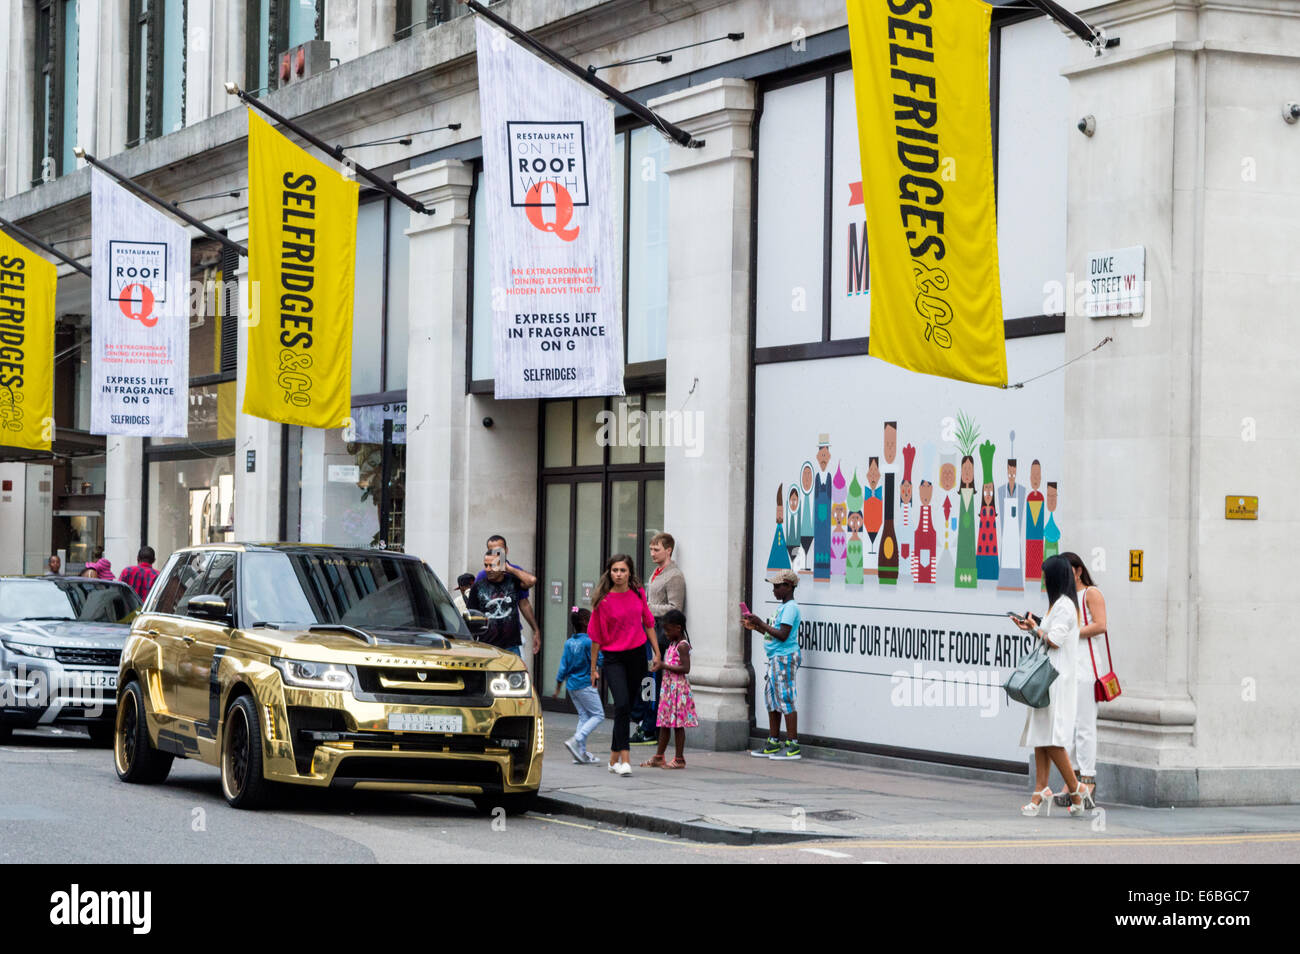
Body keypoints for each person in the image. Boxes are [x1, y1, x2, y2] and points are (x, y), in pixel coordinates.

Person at [1010, 554, 1089, 816]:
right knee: (1041, 736)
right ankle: (1040, 791)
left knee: (1052, 738)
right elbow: (1051, 635)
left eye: (1046, 576)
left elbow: (1054, 640)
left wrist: (1035, 628)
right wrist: (1031, 627)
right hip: (1049, 679)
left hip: (1056, 680)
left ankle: (1076, 789)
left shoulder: (1065, 606)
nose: (1044, 580)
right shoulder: (1058, 605)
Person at [587, 554, 660, 776]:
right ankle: (625, 760)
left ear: (630, 573)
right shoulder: (603, 600)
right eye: (615, 570)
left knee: (625, 708)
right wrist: (593, 668)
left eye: (623, 570)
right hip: (613, 658)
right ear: (609, 573)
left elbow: (648, 623)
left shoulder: (638, 593)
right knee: (621, 704)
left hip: (637, 655)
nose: (618, 574)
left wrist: (656, 652)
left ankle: (612, 758)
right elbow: (596, 637)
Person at [1054, 551, 1109, 807]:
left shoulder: (1091, 594)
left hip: (1087, 668)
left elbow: (1101, 625)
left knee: (1085, 726)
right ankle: (1072, 780)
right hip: (1069, 668)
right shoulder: (1065, 599)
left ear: (1078, 570)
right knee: (1069, 727)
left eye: (1068, 570)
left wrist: (1071, 634)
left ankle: (1088, 780)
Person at [629, 532, 686, 745]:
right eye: (651, 549)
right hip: (647, 633)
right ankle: (644, 723)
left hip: (661, 637)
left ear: (668, 550)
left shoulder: (674, 576)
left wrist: (648, 608)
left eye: (656, 549)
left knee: (654, 680)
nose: (652, 553)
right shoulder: (656, 572)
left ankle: (651, 727)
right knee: (646, 680)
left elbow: (675, 608)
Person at [742, 568, 802, 760]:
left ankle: (792, 745)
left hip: (784, 657)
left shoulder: (791, 608)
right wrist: (757, 626)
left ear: (789, 586)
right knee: (772, 700)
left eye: (777, 586)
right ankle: (774, 740)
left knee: (785, 699)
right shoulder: (782, 608)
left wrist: (760, 622)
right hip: (776, 658)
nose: (774, 590)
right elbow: (774, 634)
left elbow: (783, 635)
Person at [640, 609, 697, 769]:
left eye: (667, 630)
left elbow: (686, 668)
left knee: (678, 725)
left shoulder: (683, 645)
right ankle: (659, 756)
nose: (665, 633)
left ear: (678, 628)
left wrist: (664, 665)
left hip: (678, 689)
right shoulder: (672, 643)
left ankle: (679, 758)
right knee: (664, 723)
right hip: (669, 689)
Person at [473, 535, 541, 655]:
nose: (496, 555)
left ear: (506, 551)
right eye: (492, 551)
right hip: (489, 639)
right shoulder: (482, 576)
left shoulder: (515, 574)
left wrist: (535, 629)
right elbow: (473, 611)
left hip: (511, 639)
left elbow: (524, 602)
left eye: (499, 551)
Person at [553, 607, 602, 765]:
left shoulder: (569, 643)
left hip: (572, 686)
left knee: (584, 716)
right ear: (586, 622)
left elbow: (563, 667)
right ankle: (577, 740)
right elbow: (600, 660)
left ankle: (579, 753)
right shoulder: (589, 642)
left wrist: (558, 687)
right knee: (598, 715)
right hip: (585, 684)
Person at [465, 550, 529, 656]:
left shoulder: (512, 582)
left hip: (511, 646)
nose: (488, 569)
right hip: (486, 646)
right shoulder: (478, 587)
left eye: (492, 565)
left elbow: (530, 581)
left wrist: (510, 569)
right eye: (486, 565)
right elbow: (471, 616)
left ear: (502, 566)